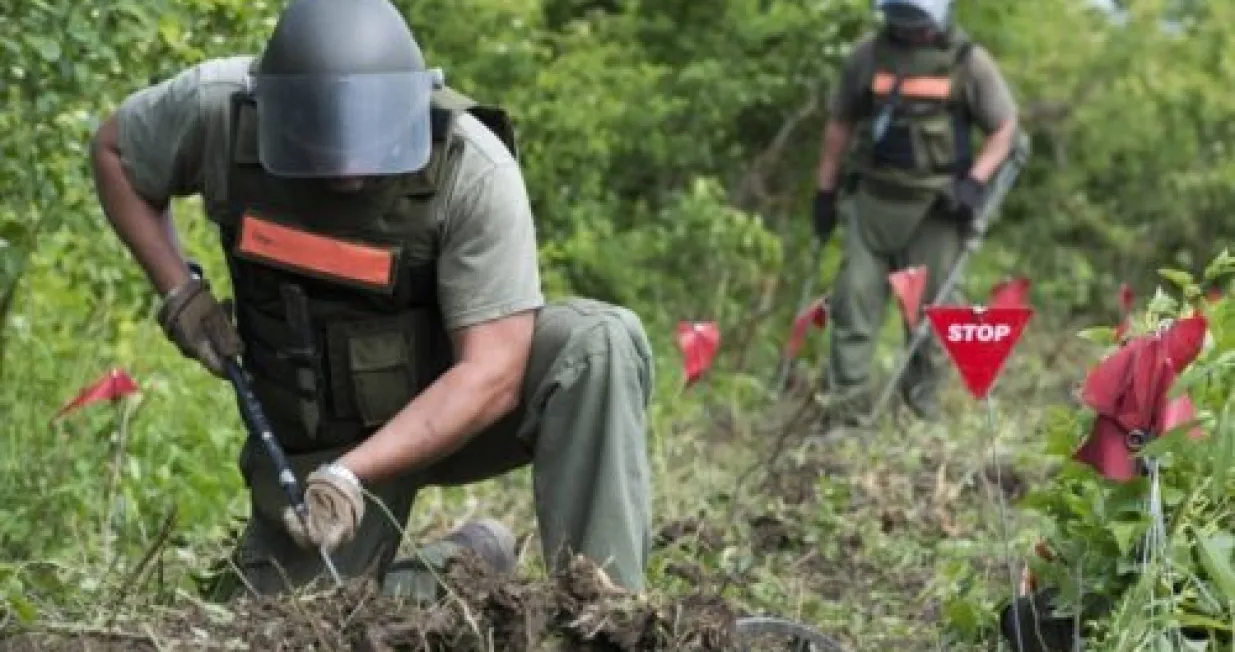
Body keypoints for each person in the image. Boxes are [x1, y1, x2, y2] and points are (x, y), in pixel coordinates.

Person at [87, 0, 654, 600]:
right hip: (321, 431)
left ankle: (604, 611)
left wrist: (351, 475)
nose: (349, 175)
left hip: (454, 409)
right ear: (277, 109)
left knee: (599, 344)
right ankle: (462, 565)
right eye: (324, 143)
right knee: (286, 629)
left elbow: (494, 371)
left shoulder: (472, 165)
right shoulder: (222, 112)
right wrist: (181, 292)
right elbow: (116, 153)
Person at [810, 0, 1020, 427]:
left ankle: (921, 418)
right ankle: (844, 418)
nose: (910, 31)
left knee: (934, 318)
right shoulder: (866, 56)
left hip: (936, 211)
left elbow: (1005, 127)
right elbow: (840, 124)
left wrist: (974, 183)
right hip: (872, 203)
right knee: (854, 303)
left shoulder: (969, 61)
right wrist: (824, 191)